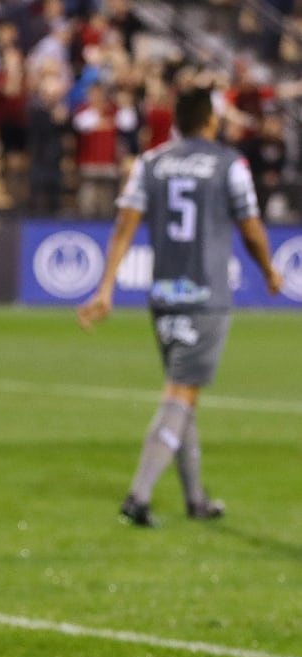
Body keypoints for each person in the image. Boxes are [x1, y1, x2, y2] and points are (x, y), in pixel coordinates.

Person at [77, 87, 283, 527]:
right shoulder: (230, 164)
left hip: (165, 297)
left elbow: (123, 227)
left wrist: (105, 287)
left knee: (183, 391)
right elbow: (250, 228)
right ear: (211, 122)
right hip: (206, 298)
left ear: (176, 122)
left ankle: (195, 500)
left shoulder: (150, 163)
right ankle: (138, 496)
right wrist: (269, 271)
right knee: (180, 395)